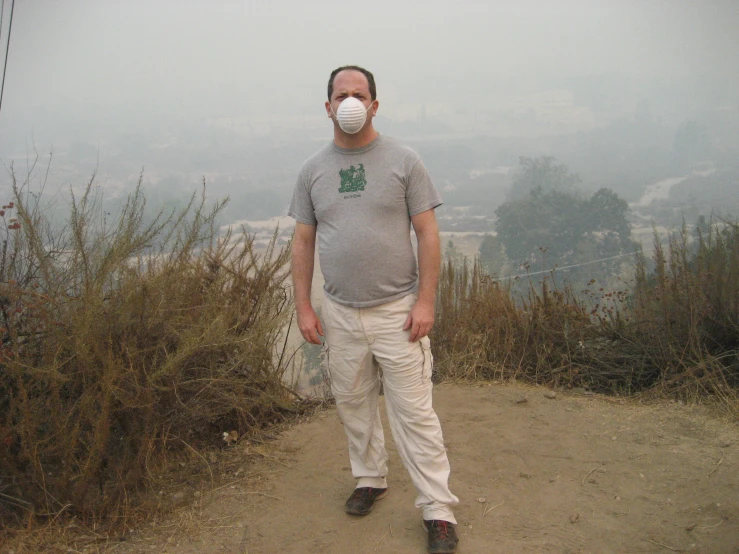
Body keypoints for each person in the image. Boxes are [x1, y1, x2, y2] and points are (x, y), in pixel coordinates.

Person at [288, 65, 459, 554]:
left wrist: (425, 301)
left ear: (375, 105)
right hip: (340, 311)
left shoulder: (405, 160)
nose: (350, 101)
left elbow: (427, 233)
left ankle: (438, 511)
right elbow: (303, 241)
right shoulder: (312, 170)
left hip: (399, 310)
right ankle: (370, 479)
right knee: (353, 403)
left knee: (415, 412)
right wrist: (304, 306)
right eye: (341, 94)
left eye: (359, 94)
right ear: (326, 107)